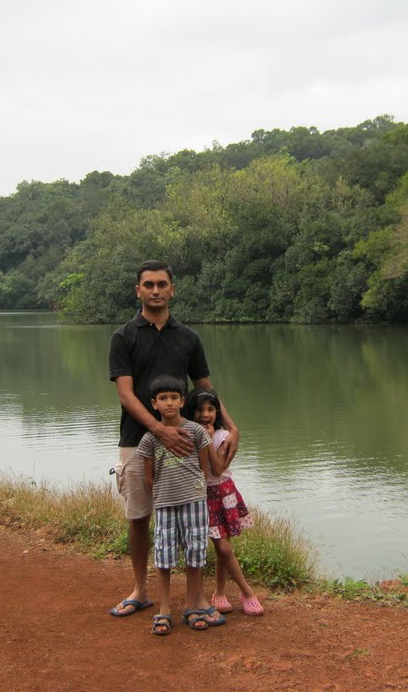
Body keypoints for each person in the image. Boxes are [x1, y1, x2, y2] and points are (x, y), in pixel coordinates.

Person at [108, 260, 239, 619]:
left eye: (161, 284)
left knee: (191, 517)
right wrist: (159, 429)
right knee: (139, 517)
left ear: (172, 290)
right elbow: (126, 394)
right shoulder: (124, 337)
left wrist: (232, 426)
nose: (155, 290)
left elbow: (205, 389)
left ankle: (194, 598)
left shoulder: (188, 338)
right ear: (138, 291)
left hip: (184, 444)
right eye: (148, 284)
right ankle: (140, 589)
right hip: (138, 440)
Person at [136, 374, 225, 635]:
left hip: (195, 501)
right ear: (154, 404)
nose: (169, 403)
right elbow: (148, 477)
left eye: (174, 397)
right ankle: (163, 608)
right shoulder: (150, 439)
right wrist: (163, 493)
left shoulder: (196, 431)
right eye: (163, 398)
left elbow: (203, 466)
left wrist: (193, 489)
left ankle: (192, 605)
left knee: (195, 552)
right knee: (164, 556)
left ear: (182, 401)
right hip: (165, 503)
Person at [186, 387, 264, 617]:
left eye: (211, 409)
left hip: (221, 492)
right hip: (201, 494)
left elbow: (218, 468)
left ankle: (237, 593)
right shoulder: (188, 434)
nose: (205, 415)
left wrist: (208, 440)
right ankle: (238, 592)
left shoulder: (221, 436)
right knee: (223, 547)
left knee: (223, 547)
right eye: (200, 410)